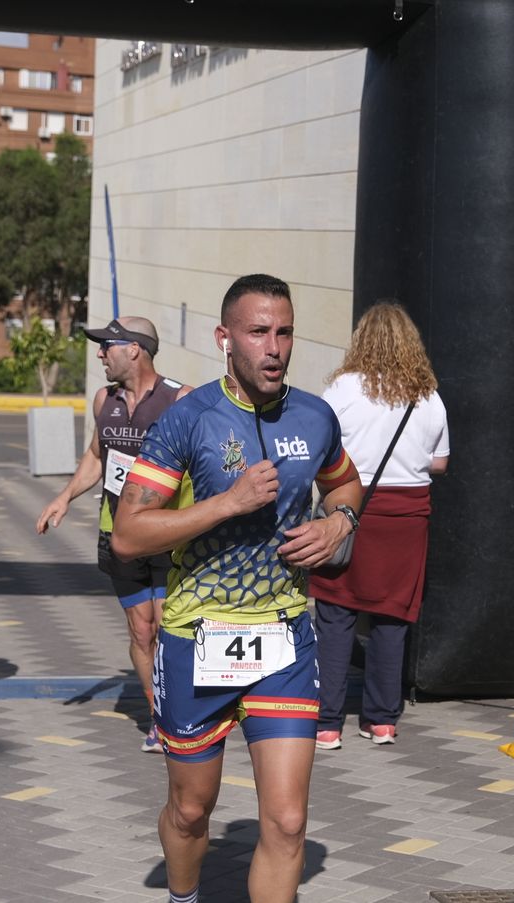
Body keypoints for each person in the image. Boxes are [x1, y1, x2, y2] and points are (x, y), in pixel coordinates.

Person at [112, 274, 362, 903]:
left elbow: (346, 484)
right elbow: (129, 534)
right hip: (197, 638)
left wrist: (339, 521)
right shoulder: (186, 419)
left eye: (284, 332)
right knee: (192, 811)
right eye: (258, 332)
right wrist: (227, 503)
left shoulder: (314, 414)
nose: (274, 347)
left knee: (287, 820)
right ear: (226, 339)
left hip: (283, 638)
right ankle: (183, 895)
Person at [35, 317, 191, 753]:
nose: (100, 353)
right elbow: (97, 455)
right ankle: (158, 715)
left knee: (168, 626)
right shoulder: (105, 399)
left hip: (163, 533)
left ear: (135, 350)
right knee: (141, 632)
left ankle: (182, 712)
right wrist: (64, 497)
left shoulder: (180, 399)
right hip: (117, 533)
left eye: (108, 346)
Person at [308, 302, 450, 750]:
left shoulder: (344, 390)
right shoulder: (427, 395)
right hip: (407, 519)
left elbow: (319, 448)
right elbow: (440, 462)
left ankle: (328, 724)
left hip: (350, 510)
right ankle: (382, 721)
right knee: (393, 617)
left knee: (335, 615)